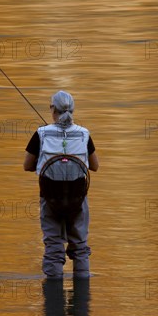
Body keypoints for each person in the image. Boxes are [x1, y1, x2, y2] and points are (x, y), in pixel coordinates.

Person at [23, 90, 99, 279]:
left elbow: (27, 166)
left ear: (52, 109)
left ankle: (53, 297)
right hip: (77, 198)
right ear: (72, 110)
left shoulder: (40, 134)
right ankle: (82, 298)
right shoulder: (84, 134)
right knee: (80, 246)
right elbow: (95, 166)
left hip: (50, 198)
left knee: (53, 246)